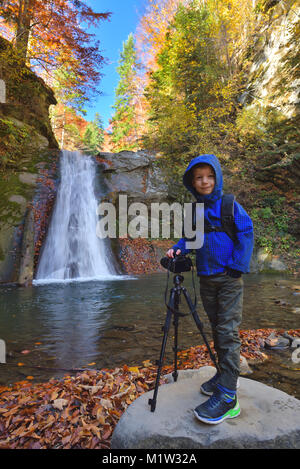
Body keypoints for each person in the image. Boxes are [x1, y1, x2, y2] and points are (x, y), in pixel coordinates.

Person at [166, 154, 254, 424]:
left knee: (227, 331)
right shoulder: (194, 211)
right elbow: (190, 239)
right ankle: (224, 375)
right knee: (216, 327)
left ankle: (229, 397)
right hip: (206, 278)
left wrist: (237, 266)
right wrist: (178, 248)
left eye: (209, 176)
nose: (204, 181)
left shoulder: (230, 205)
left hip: (228, 278)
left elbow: (246, 233)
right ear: (192, 182)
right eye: (198, 177)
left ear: (217, 178)